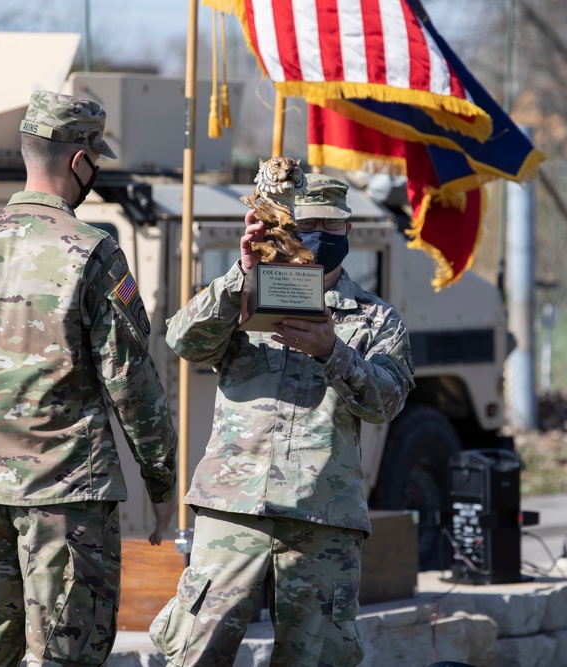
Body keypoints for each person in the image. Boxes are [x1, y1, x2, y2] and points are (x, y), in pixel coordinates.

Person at [0, 90, 178, 667]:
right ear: (79, 161)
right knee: (66, 656)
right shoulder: (94, 253)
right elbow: (132, 384)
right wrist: (162, 484)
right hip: (65, 502)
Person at [150, 174, 415, 666]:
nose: (312, 234)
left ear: (347, 230)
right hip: (235, 509)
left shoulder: (375, 318)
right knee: (196, 652)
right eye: (301, 224)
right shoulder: (245, 298)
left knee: (316, 659)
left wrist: (333, 352)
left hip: (322, 516)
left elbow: (386, 403)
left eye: (324, 225)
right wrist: (241, 275)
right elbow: (183, 341)